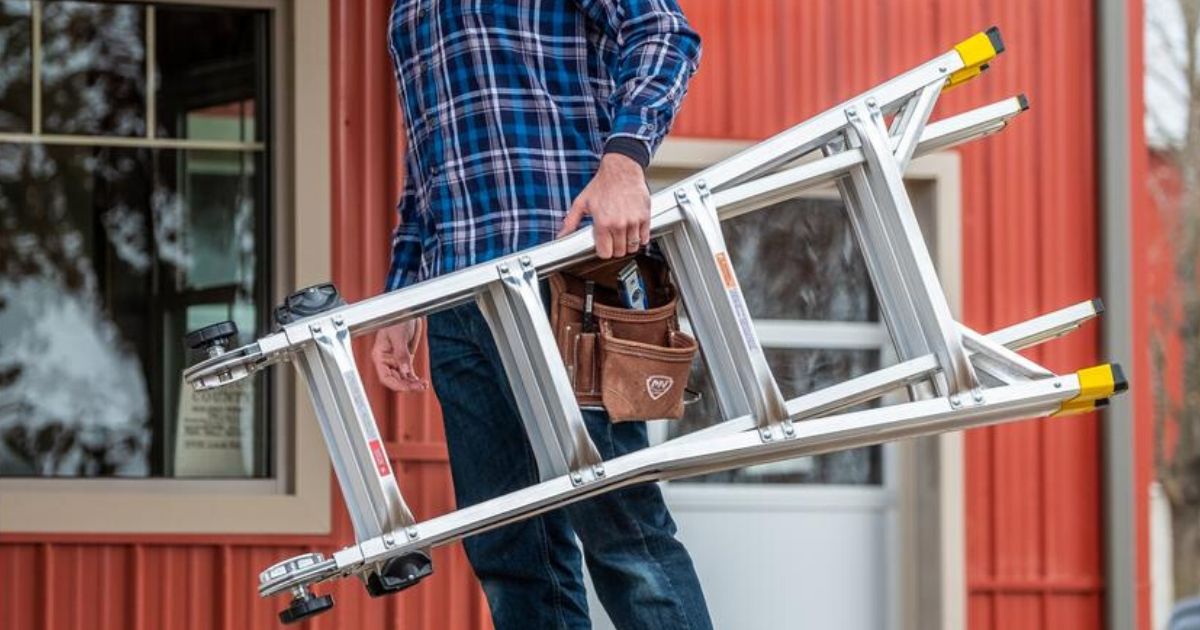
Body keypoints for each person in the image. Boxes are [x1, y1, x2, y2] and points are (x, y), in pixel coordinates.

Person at [371, 1, 711, 629]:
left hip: (562, 279)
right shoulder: (408, 10)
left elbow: (663, 31)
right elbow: (427, 164)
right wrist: (402, 294)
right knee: (509, 552)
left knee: (621, 533)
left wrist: (625, 161)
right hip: (455, 302)